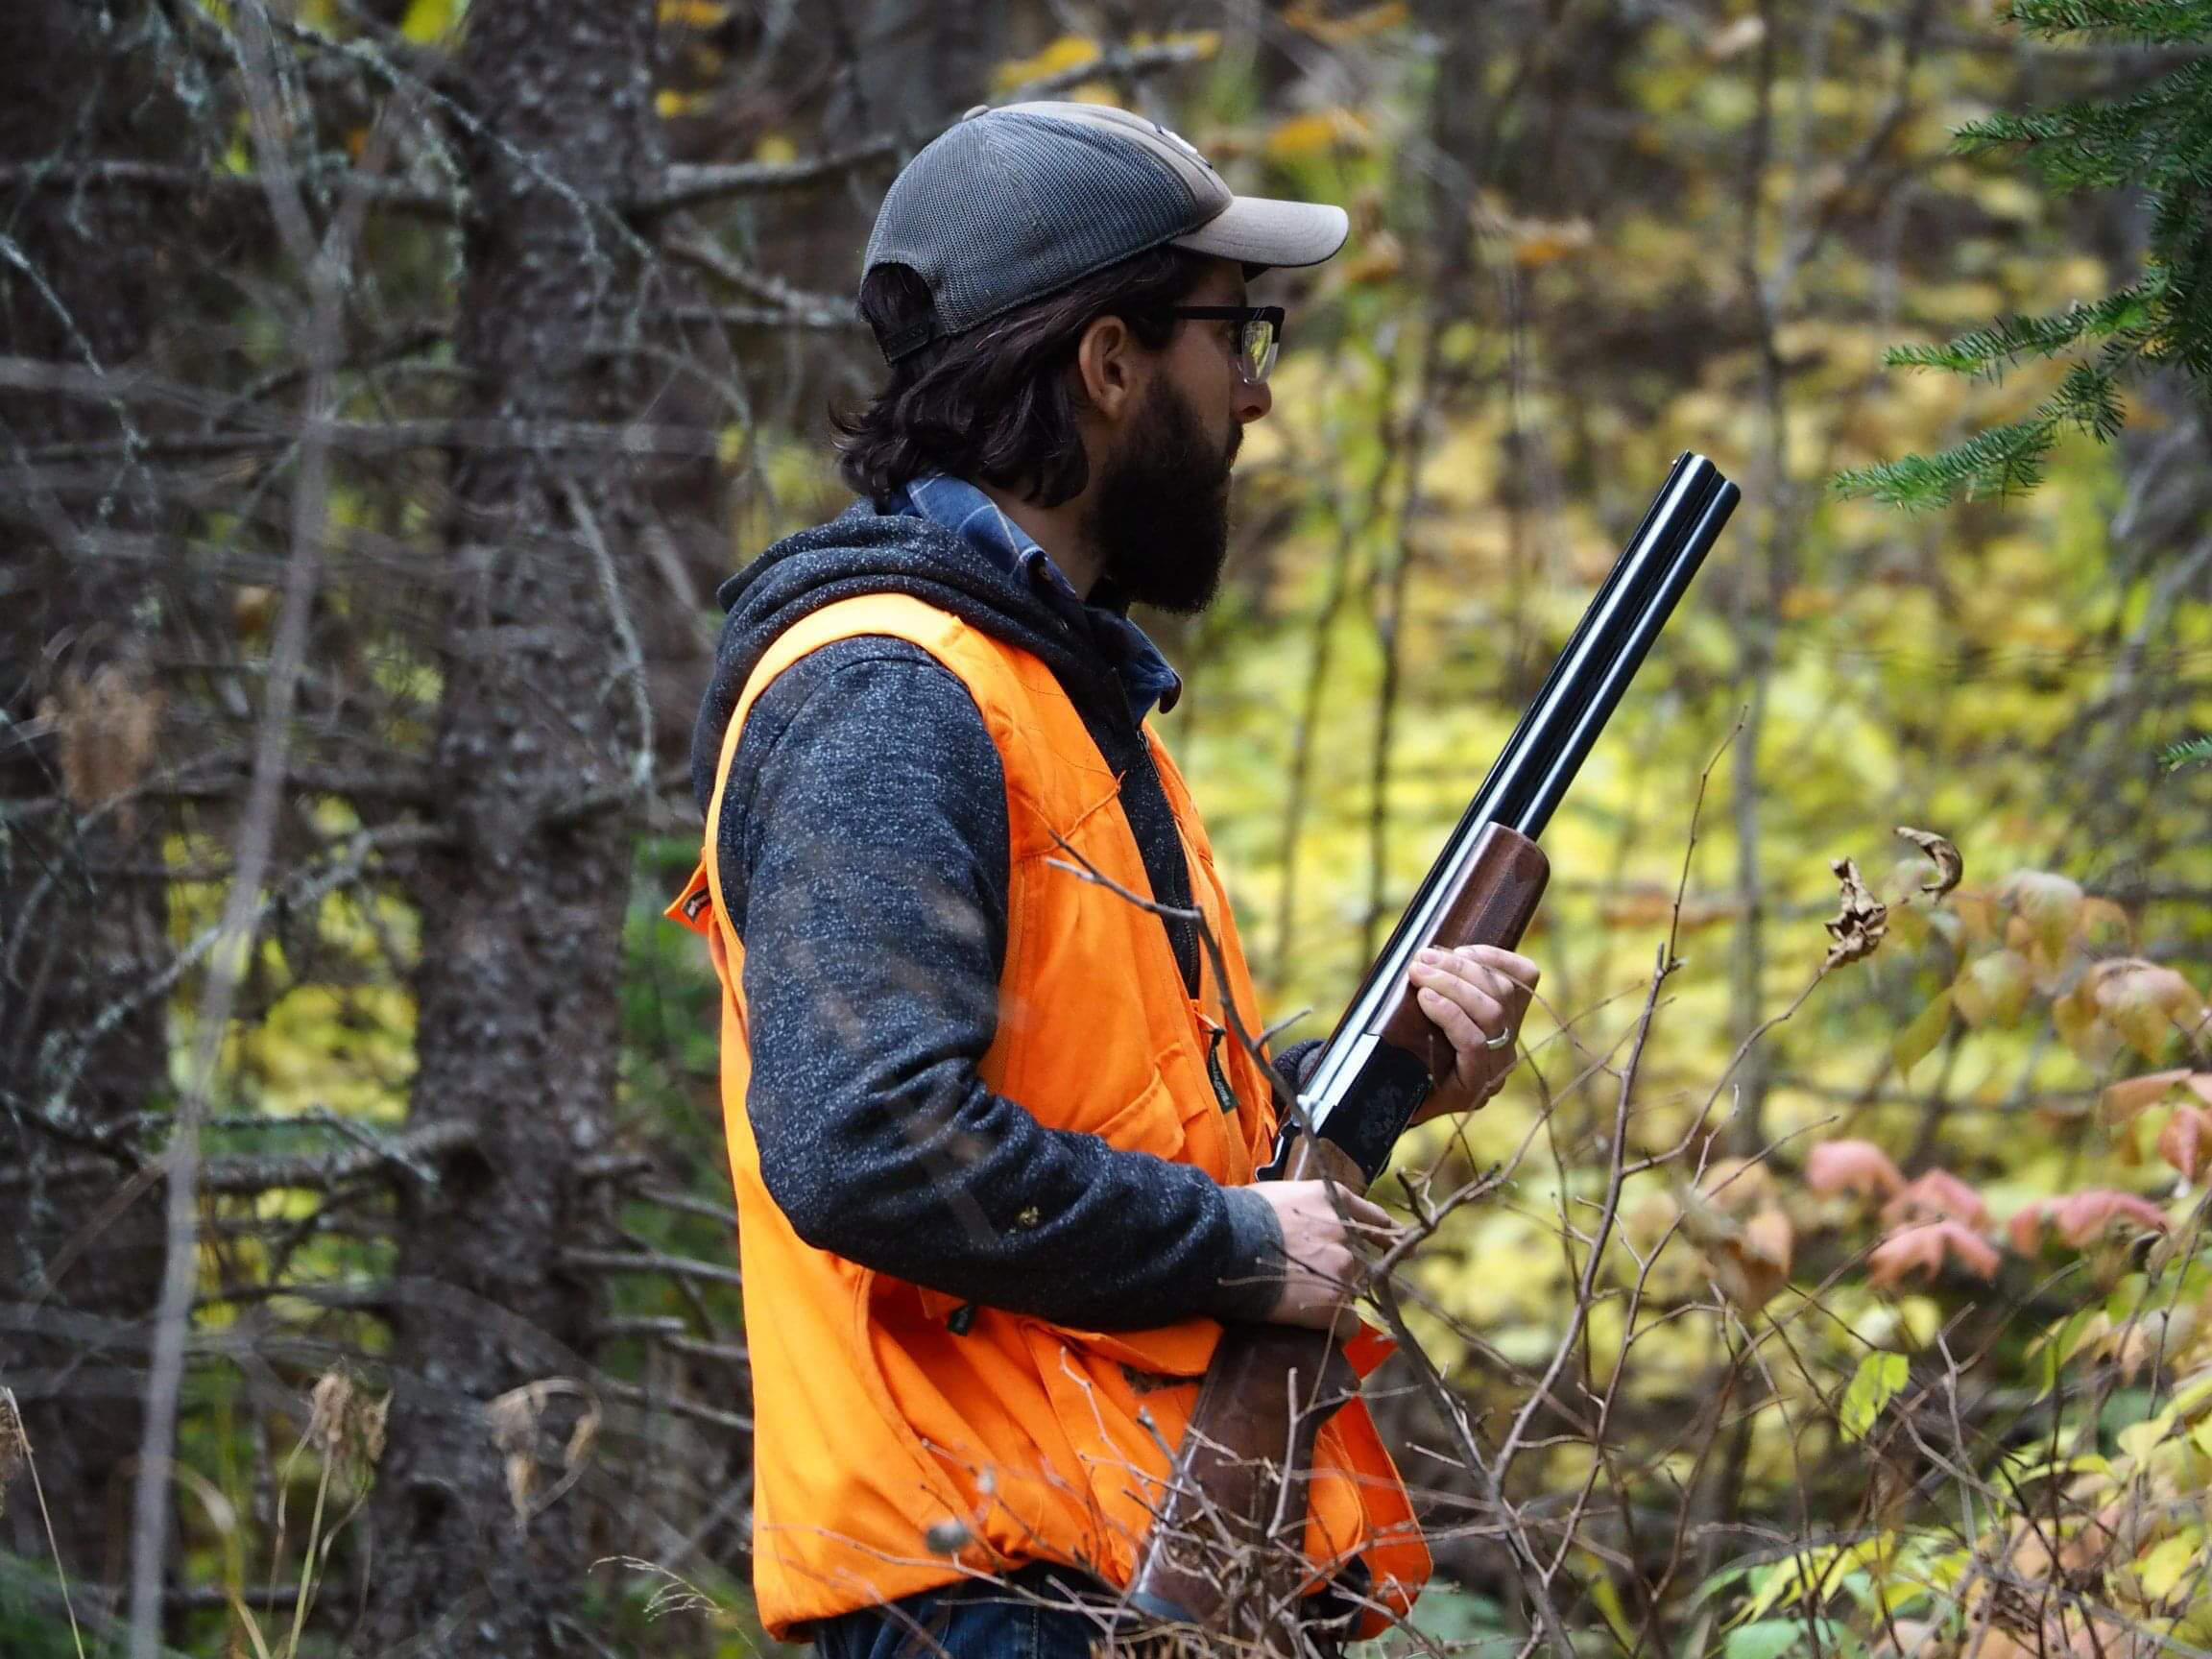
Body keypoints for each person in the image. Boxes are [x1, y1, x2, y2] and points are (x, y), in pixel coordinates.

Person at [666, 100, 1542, 1658]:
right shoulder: (892, 689)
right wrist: (1240, 1246)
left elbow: (1116, 1116)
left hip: (1119, 1554)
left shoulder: (1052, 690)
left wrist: (1372, 1072)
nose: (1254, 395)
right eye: (1234, 334)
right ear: (1112, 363)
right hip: (995, 1590)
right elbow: (862, 1139)